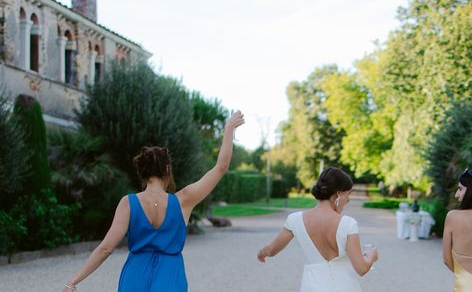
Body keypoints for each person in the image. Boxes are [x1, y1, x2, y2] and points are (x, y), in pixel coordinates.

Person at [62, 110, 245, 292]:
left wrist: (73, 281)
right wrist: (229, 129)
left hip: (134, 279)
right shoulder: (184, 200)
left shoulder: (128, 203)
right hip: (171, 281)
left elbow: (105, 249)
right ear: (167, 169)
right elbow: (221, 167)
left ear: (141, 172)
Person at [257, 166, 378, 292]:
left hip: (312, 287)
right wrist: (371, 256)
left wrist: (262, 252)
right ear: (338, 193)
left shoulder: (295, 220)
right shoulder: (348, 224)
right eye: (348, 194)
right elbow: (362, 269)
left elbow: (271, 250)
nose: (348, 199)